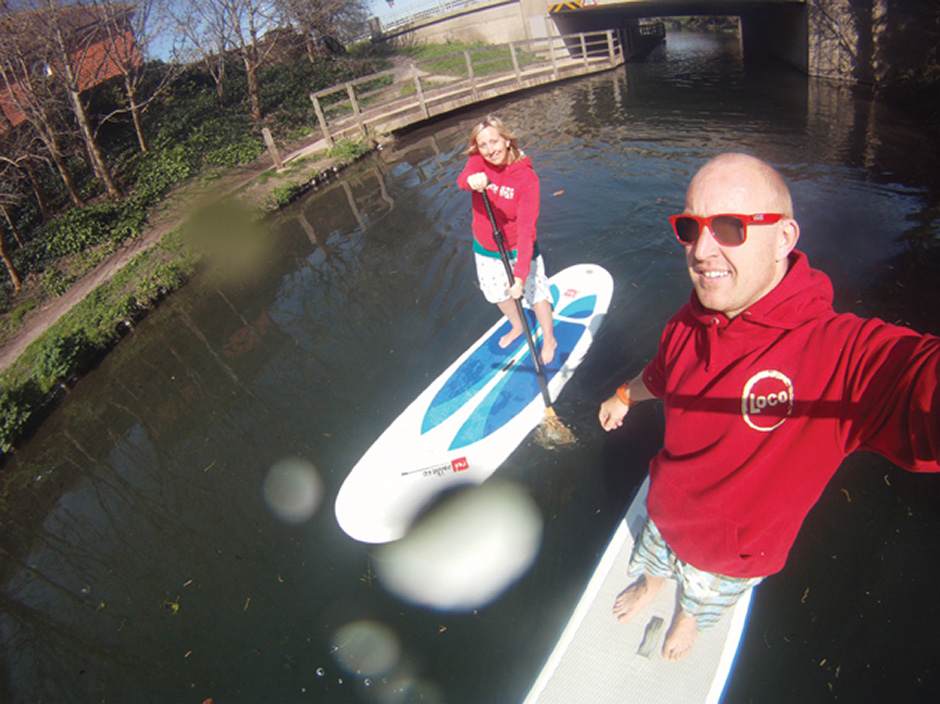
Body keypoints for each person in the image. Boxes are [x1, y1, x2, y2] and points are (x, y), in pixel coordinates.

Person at [598, 152, 940, 662]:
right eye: (691, 228)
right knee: (655, 560)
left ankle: (688, 618)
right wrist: (624, 394)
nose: (702, 250)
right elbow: (662, 377)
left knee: (701, 597)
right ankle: (653, 583)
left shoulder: (839, 353)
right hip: (666, 510)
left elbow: (917, 381)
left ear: (784, 238)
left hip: (730, 557)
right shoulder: (685, 323)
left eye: (729, 228)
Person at [457, 115, 557, 365]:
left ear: (507, 140)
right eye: (483, 145)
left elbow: (526, 228)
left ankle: (549, 338)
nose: (490, 150)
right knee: (497, 294)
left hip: (516, 247)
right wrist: (471, 180)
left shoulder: (526, 178)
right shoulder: (478, 160)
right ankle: (517, 325)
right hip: (485, 246)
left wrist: (521, 275)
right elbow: (463, 179)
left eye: (494, 142)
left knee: (536, 293)